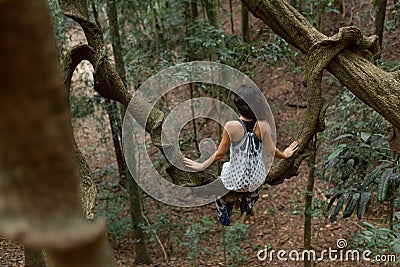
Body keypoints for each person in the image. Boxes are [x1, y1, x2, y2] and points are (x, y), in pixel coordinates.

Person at [184, 84, 298, 226]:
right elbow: (272, 151)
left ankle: (223, 205)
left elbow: (219, 154)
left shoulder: (231, 126)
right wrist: (285, 154)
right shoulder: (264, 126)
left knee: (225, 168)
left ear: (238, 105)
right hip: (256, 180)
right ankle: (249, 200)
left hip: (235, 182)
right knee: (256, 170)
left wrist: (201, 165)